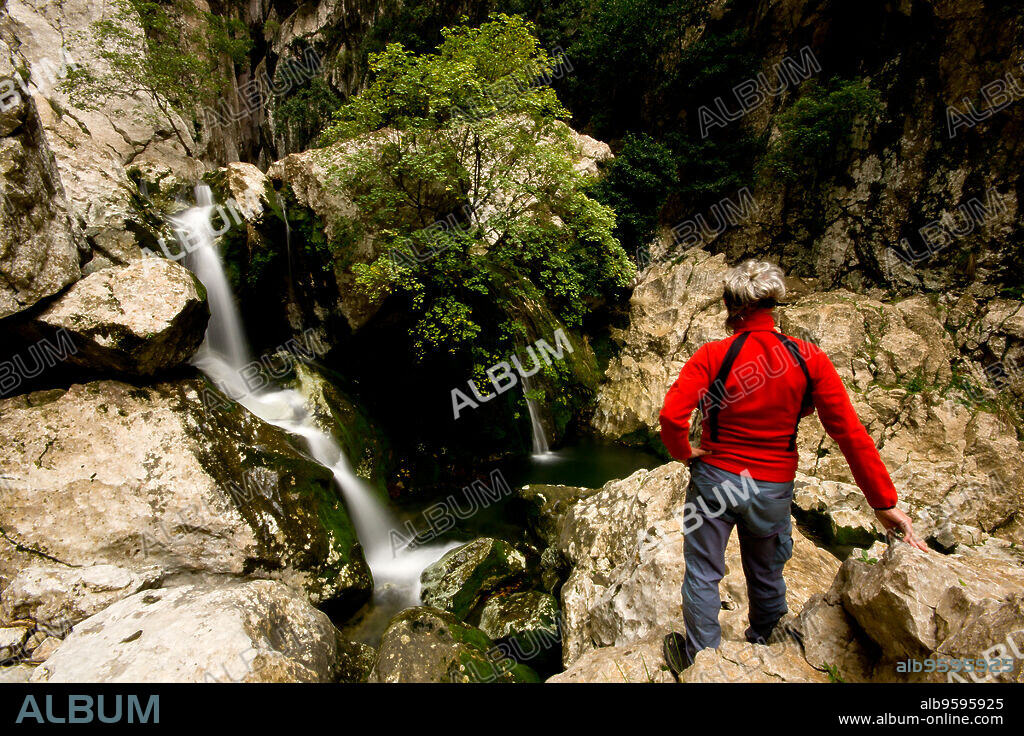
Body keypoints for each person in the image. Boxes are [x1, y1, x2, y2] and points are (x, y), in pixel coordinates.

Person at [657, 259, 926, 675]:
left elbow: (672, 416)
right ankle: (764, 643)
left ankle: (701, 662)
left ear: (732, 306)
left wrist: (683, 451)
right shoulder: (809, 358)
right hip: (771, 485)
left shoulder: (713, 354)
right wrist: (883, 503)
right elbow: (850, 434)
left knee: (703, 573)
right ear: (773, 304)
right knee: (766, 572)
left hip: (716, 481)